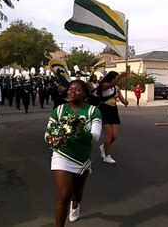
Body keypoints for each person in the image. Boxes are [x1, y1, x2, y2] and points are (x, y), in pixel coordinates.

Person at [44, 80, 102, 226]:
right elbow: (47, 133)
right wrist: (53, 138)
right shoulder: (58, 110)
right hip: (61, 155)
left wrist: (79, 130)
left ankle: (75, 204)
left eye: (77, 90)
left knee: (77, 195)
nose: (72, 92)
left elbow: (95, 137)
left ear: (85, 93)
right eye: (70, 89)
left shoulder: (93, 111)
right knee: (63, 195)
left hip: (82, 158)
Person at [97, 71, 128, 164]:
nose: (117, 80)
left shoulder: (117, 88)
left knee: (114, 136)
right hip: (104, 110)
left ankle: (104, 146)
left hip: (114, 111)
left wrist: (125, 102)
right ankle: (107, 156)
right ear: (111, 78)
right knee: (108, 135)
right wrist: (121, 76)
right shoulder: (104, 85)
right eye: (116, 78)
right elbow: (112, 84)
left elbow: (122, 99)